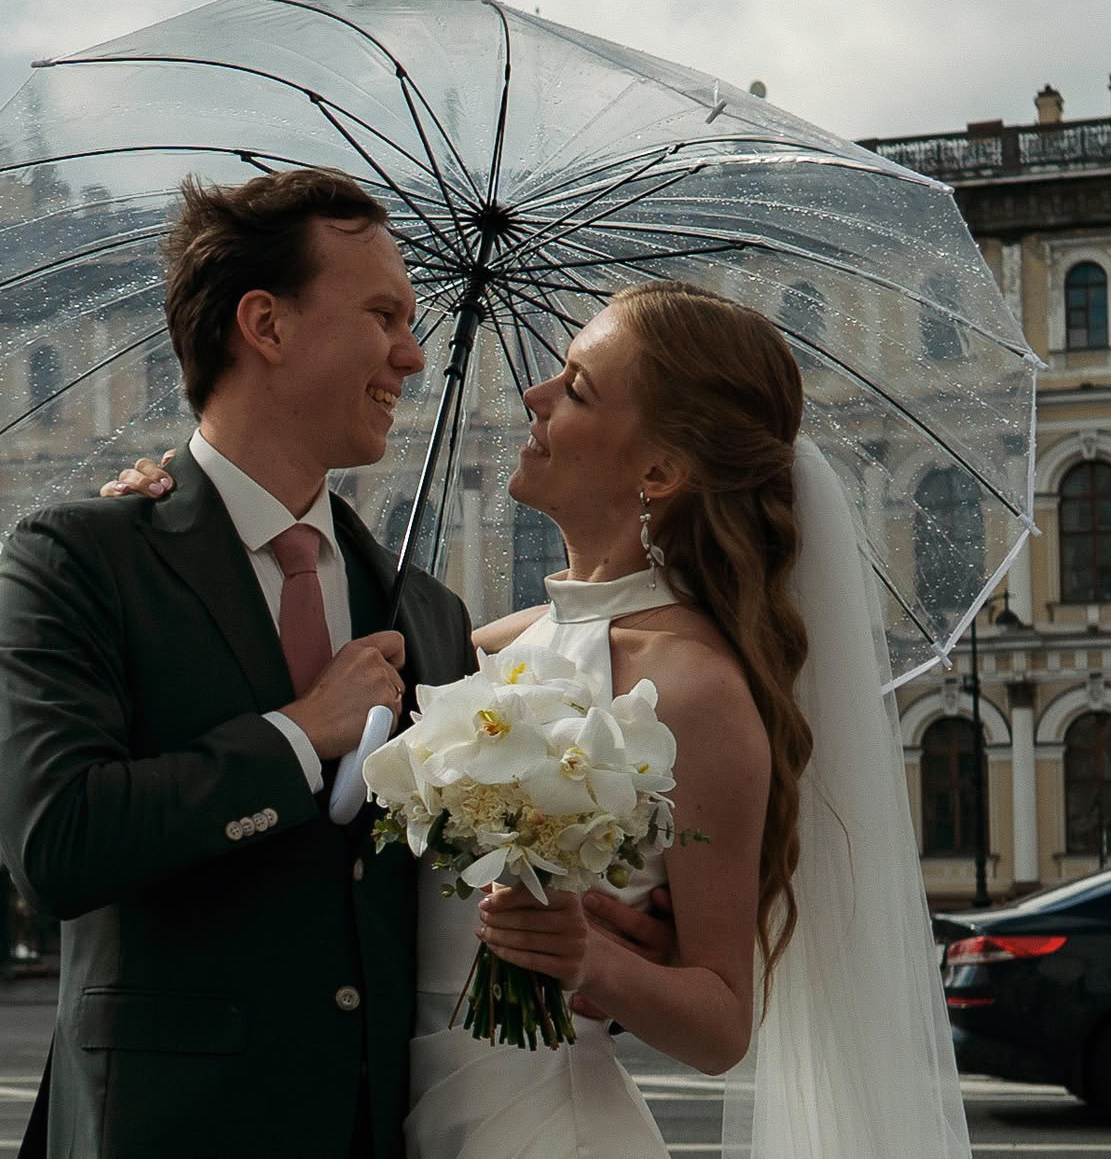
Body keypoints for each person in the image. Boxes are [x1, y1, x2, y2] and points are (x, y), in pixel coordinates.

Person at [110, 279, 971, 1159]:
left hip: (549, 1130)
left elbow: (721, 1022)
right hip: (410, 1120)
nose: (534, 394)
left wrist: (590, 960)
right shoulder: (489, 640)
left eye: (578, 386)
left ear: (660, 472)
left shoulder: (694, 687)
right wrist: (178, 523)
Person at [0, 167, 474, 1159]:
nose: (411, 356)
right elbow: (57, 846)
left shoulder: (427, 614)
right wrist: (299, 739)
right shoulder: (82, 559)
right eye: (383, 314)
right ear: (267, 324)